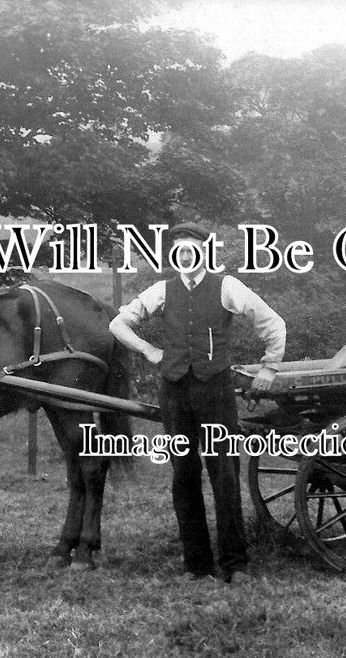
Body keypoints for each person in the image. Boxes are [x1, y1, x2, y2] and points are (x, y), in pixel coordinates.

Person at [109, 222, 285, 584]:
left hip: (216, 392)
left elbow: (271, 322)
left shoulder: (227, 287)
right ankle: (197, 565)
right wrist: (148, 350)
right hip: (175, 391)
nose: (185, 255)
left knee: (224, 475)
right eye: (179, 250)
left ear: (205, 252)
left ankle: (235, 565)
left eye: (191, 249)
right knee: (183, 476)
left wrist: (270, 366)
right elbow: (118, 324)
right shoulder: (162, 290)